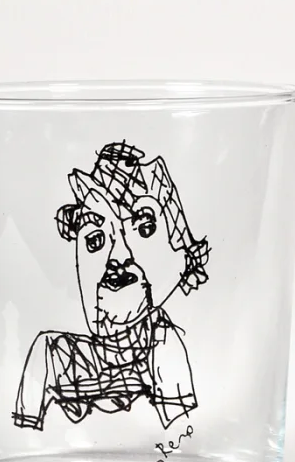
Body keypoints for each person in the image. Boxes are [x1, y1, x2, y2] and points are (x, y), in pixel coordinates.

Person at [13, 141, 210, 431]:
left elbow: (184, 437)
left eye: (143, 231)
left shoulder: (162, 342)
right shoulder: (54, 353)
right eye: (95, 240)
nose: (118, 258)